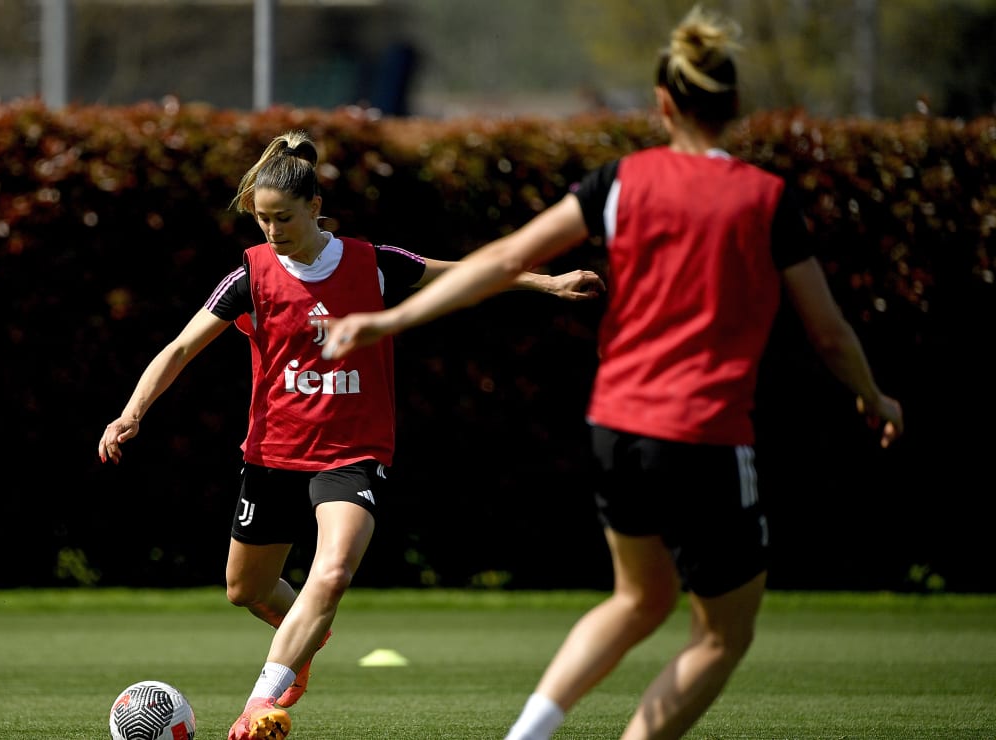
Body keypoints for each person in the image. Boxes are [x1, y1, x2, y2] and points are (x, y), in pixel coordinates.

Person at [318, 6, 904, 740]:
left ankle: (525, 736)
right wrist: (871, 395)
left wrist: (389, 320)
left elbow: (505, 259)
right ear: (732, 106)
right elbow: (827, 329)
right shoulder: (764, 199)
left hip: (617, 429)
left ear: (663, 105)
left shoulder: (618, 183)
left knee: (639, 599)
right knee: (723, 633)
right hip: (707, 436)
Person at [96, 130, 604, 740]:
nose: (272, 231)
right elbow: (179, 348)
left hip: (351, 456)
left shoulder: (372, 263)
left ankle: (261, 702)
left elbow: (466, 276)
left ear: (315, 207)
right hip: (273, 456)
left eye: (283, 217)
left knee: (330, 574)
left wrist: (546, 283)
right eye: (262, 219)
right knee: (245, 589)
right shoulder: (250, 276)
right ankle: (305, 636)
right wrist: (132, 413)